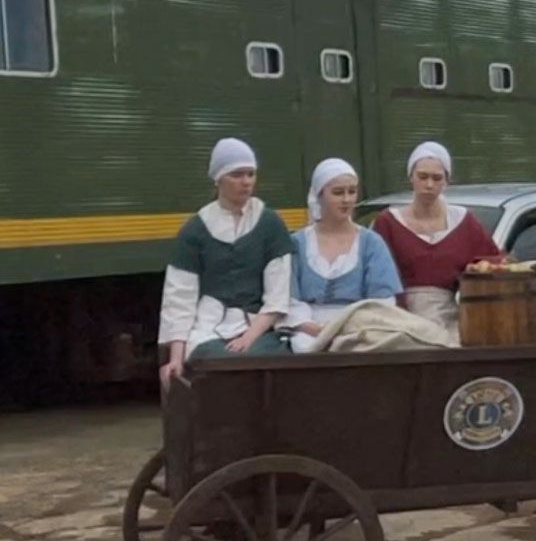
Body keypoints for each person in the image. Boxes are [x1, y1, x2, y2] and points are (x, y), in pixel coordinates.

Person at [158, 137, 295, 388]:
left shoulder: (270, 224)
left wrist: (249, 337)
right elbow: (180, 297)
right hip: (210, 326)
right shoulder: (195, 230)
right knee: (212, 360)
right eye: (237, 175)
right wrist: (175, 357)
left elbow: (278, 294)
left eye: (251, 174)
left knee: (267, 359)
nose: (246, 182)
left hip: (260, 326)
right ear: (219, 178)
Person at [371, 141, 505, 338]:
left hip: (449, 320)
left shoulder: (463, 221)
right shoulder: (388, 222)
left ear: (447, 181)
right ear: (411, 177)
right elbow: (379, 277)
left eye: (437, 178)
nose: (429, 185)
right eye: (422, 177)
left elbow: (495, 261)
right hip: (398, 318)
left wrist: (476, 270)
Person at [282, 158, 404, 354]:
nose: (347, 199)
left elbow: (382, 303)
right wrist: (316, 330)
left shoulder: (371, 243)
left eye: (352, 191)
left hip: (358, 330)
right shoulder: (297, 243)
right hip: (308, 332)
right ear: (319, 195)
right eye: (338, 193)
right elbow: (288, 299)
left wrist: (347, 330)